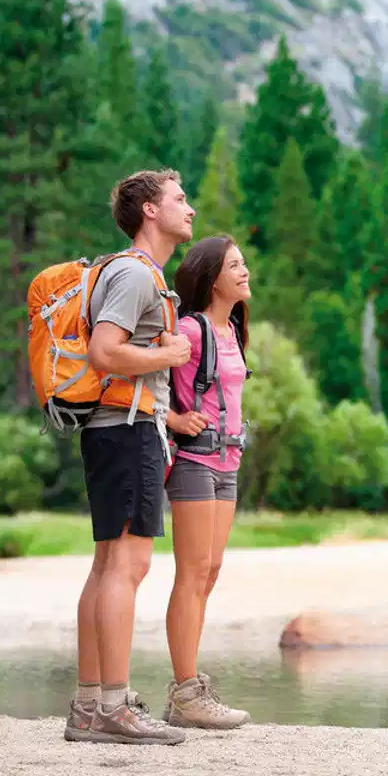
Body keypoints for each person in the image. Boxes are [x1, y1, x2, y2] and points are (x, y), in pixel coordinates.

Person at [64, 169, 195, 746]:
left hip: (115, 431)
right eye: (179, 198)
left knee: (106, 565)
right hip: (127, 429)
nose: (189, 208)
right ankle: (113, 707)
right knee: (128, 567)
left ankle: (90, 705)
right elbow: (103, 352)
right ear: (149, 211)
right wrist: (168, 352)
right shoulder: (136, 275)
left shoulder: (136, 274)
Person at [159, 235, 253, 729]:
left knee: (210, 571)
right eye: (235, 266)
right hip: (195, 461)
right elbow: (141, 376)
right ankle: (186, 691)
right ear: (211, 277)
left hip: (228, 462)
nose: (245, 272)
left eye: (244, 265)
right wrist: (174, 420)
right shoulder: (190, 330)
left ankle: (187, 691)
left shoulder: (233, 330)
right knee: (193, 574)